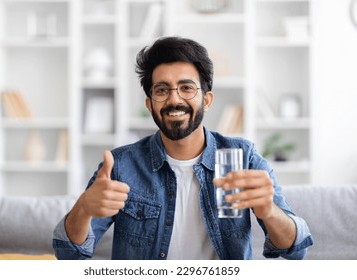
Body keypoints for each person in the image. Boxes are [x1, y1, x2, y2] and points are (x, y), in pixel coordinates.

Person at [53, 36, 313, 260]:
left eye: (187, 88)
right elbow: (68, 253)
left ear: (207, 100)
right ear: (149, 104)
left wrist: (269, 211)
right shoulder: (121, 166)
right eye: (162, 89)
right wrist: (83, 209)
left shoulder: (244, 158)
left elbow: (295, 249)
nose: (174, 99)